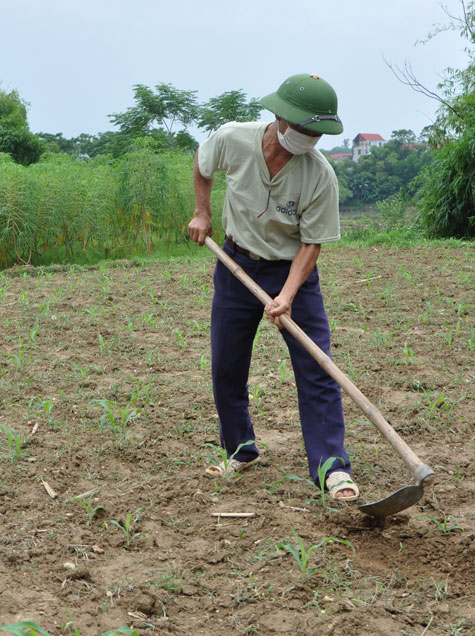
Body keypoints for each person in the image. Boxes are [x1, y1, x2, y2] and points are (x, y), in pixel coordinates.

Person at [188, 73, 358, 501]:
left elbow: (311, 243)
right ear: (280, 116)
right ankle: (241, 450)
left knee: (316, 367)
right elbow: (203, 163)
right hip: (236, 263)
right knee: (227, 364)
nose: (309, 139)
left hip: (291, 274)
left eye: (317, 133)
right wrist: (202, 212)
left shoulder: (320, 176)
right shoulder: (233, 138)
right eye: (303, 129)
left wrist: (287, 295)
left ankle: (331, 467)